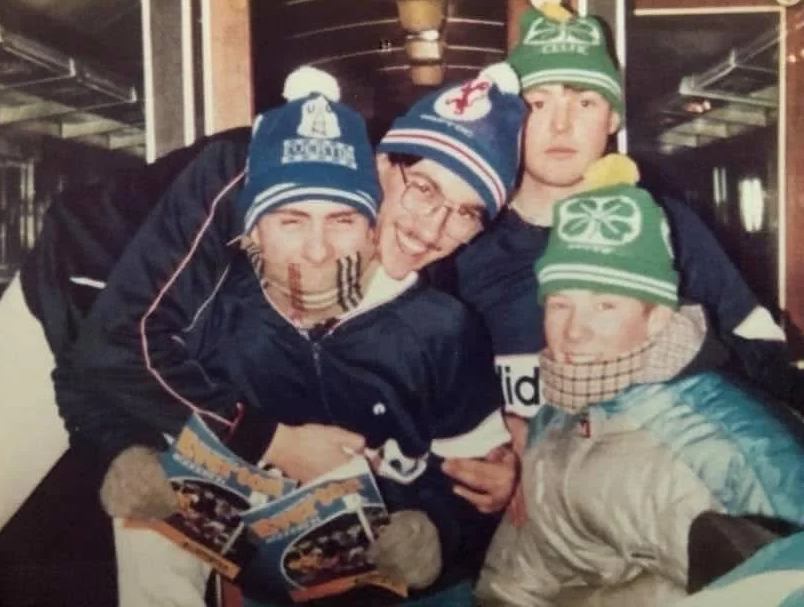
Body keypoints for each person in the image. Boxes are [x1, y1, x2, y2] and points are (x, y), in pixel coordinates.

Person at [58, 65, 527, 606]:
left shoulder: (442, 323)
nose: (433, 226)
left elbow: (475, 481)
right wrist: (122, 450)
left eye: (466, 213)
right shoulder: (225, 302)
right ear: (380, 168)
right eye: (423, 188)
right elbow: (101, 367)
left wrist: (439, 530)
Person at [438, 6, 797, 512]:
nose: (561, 125)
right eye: (538, 103)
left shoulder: (664, 227)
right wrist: (490, 462)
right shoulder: (461, 242)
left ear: (611, 118)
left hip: (646, 506)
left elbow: (765, 364)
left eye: (585, 101)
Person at [475, 166, 804, 607]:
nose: (573, 333)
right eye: (560, 304)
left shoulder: (731, 455)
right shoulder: (561, 411)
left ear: (658, 318)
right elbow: (516, 579)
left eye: (605, 305)